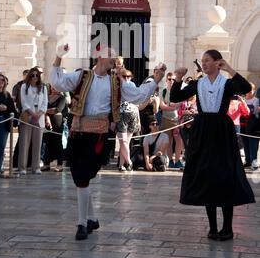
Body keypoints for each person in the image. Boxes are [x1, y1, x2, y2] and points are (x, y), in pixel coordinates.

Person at [50, 43, 166, 241]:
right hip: (79, 133)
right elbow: (57, 82)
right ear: (100, 56)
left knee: (84, 176)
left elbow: (139, 94)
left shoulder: (117, 82)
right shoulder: (82, 76)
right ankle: (86, 221)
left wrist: (157, 78)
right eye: (111, 55)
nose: (115, 59)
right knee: (81, 177)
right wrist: (58, 56)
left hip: (99, 135)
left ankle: (86, 221)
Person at [170, 50, 255, 241]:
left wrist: (230, 69)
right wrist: (178, 78)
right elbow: (175, 97)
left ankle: (228, 228)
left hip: (222, 132)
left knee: (225, 176)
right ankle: (213, 227)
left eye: (207, 60)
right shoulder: (198, 83)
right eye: (203, 61)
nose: (204, 64)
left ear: (217, 62)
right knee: (206, 176)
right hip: (203, 131)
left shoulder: (227, 83)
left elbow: (244, 87)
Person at [18, 67, 48, 175]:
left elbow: (45, 103)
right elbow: (24, 102)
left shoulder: (43, 88)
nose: (35, 77)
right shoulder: (24, 86)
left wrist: (39, 114)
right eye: (32, 75)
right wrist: (33, 114)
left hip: (39, 118)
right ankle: (22, 167)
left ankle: (36, 167)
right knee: (24, 143)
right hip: (28, 116)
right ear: (29, 76)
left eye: (37, 75)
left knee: (37, 144)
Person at [117, 69, 141, 172]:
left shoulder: (132, 85)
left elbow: (136, 103)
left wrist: (139, 120)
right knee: (123, 140)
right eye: (124, 76)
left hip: (132, 113)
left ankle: (123, 164)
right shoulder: (119, 86)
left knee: (125, 141)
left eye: (129, 76)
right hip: (121, 114)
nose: (127, 78)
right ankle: (127, 162)